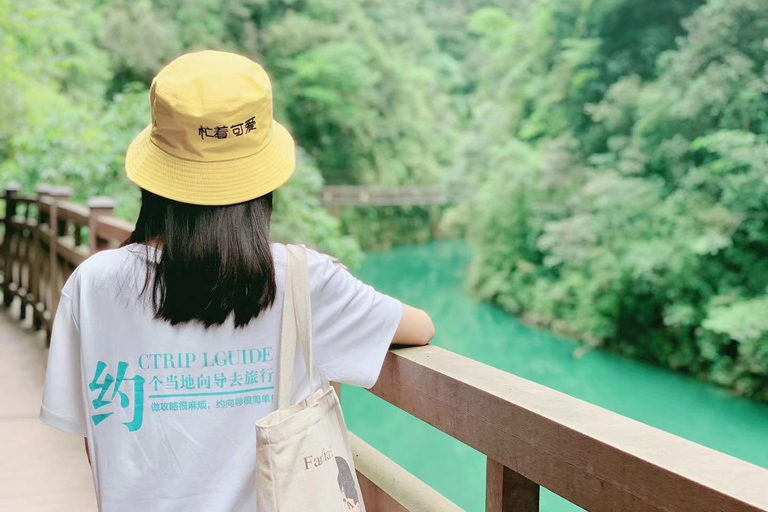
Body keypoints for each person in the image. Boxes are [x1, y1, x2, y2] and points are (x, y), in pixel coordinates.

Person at [39, 50, 434, 512]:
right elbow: (419, 327)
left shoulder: (95, 283)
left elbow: (95, 440)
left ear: (157, 171)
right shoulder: (304, 280)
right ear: (263, 176)